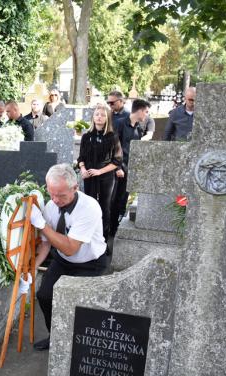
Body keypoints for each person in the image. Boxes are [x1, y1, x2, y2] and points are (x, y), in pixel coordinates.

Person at [30, 163, 108, 350]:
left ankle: (79, 346)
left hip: (90, 263)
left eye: (61, 195)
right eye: (52, 194)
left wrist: (42, 226)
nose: (55, 200)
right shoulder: (51, 205)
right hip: (63, 261)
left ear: (75, 187)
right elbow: (48, 242)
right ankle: (55, 337)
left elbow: (71, 248)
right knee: (45, 295)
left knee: (79, 305)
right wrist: (35, 265)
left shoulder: (89, 207)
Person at [77, 104, 122, 240]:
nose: (99, 117)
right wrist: (83, 169)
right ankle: (89, 236)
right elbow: (81, 158)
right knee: (90, 206)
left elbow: (117, 160)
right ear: (93, 117)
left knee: (104, 207)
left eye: (102, 115)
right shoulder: (86, 136)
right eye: (97, 114)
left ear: (107, 118)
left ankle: (103, 238)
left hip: (106, 176)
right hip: (89, 175)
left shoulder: (112, 136)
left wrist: (99, 171)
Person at [109, 99, 150, 238]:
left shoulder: (138, 127)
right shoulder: (120, 123)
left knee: (122, 201)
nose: (146, 115)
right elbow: (113, 146)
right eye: (146, 111)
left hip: (128, 170)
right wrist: (117, 167)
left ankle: (116, 230)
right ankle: (108, 232)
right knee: (113, 202)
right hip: (117, 170)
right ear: (139, 110)